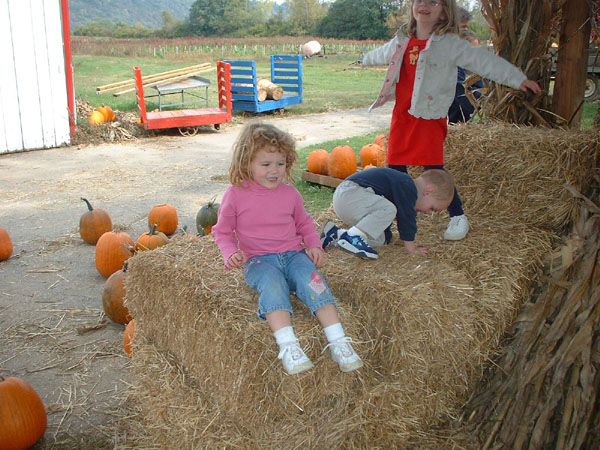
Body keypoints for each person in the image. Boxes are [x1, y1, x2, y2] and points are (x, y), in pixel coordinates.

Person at [361, 0, 541, 241]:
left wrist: (518, 80)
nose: (424, 5)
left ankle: (457, 216)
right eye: (419, 0)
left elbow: (485, 62)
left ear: (444, 10)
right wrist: (364, 59)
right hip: (402, 116)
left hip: (429, 116)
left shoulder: (449, 44)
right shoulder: (402, 39)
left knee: (434, 169)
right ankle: (384, 226)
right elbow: (383, 53)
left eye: (433, 2)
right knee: (395, 171)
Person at [212, 121, 363, 376]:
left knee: (313, 281)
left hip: (294, 256)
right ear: (246, 163)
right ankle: (289, 347)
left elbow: (304, 223)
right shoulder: (236, 194)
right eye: (266, 164)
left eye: (280, 164)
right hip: (259, 261)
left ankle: (339, 342)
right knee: (272, 285)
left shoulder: (290, 194)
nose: (274, 171)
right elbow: (222, 231)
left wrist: (314, 245)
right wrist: (230, 253)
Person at [321, 167, 455, 259]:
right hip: (350, 194)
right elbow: (406, 219)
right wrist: (411, 249)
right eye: (432, 208)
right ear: (428, 191)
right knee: (390, 209)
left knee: (381, 239)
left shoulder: (403, 189)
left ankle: (336, 235)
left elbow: (383, 220)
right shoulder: (407, 185)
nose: (427, 212)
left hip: (352, 203)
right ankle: (352, 237)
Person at [448, 29, 485, 124]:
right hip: (452, 122)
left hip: (462, 122)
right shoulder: (451, 70)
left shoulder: (473, 69)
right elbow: (466, 97)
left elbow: (480, 89)